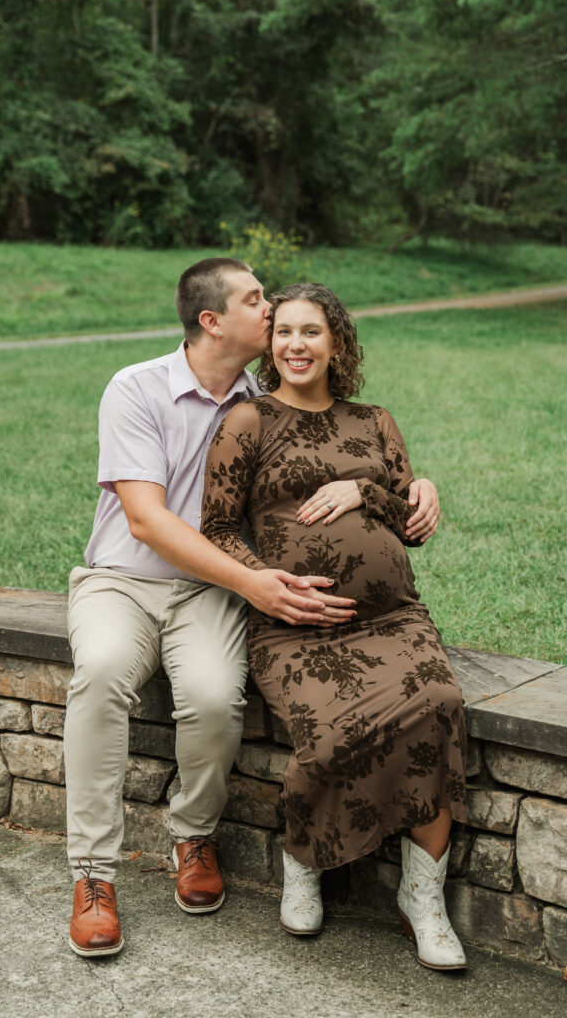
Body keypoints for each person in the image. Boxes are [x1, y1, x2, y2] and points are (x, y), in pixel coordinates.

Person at [65, 259, 441, 959]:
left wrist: (412, 483)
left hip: (211, 591)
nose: (271, 311)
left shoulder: (256, 392)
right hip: (125, 579)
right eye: (257, 299)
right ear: (213, 321)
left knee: (212, 698)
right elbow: (146, 521)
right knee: (101, 671)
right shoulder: (137, 388)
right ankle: (93, 875)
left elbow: (342, 438)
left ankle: (192, 840)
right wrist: (258, 582)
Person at [201, 282, 468, 971]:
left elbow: (409, 526)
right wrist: (268, 587)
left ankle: (422, 899)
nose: (295, 344)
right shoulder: (247, 423)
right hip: (293, 626)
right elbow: (217, 529)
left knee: (439, 705)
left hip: (391, 618)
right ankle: (304, 863)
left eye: (311, 332)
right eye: (283, 331)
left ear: (336, 343)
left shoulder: (375, 421)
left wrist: (366, 490)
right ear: (270, 344)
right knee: (326, 734)